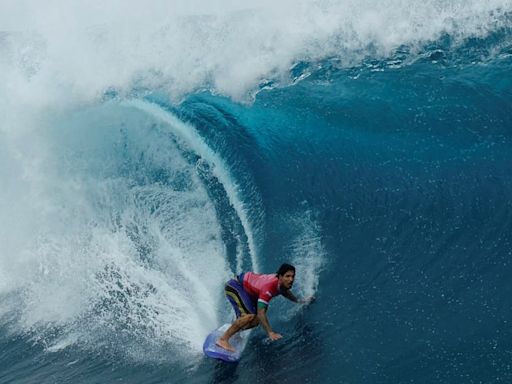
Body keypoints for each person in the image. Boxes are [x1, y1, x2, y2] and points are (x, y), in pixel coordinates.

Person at [216, 263, 315, 352]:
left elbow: (284, 292)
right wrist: (270, 332)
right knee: (250, 316)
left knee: (256, 321)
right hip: (235, 286)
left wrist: (300, 301)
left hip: (247, 291)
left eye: (293, 276)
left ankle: (234, 331)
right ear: (280, 277)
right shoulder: (269, 287)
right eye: (287, 276)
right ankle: (223, 340)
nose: (291, 279)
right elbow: (261, 312)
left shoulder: (281, 284)